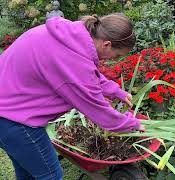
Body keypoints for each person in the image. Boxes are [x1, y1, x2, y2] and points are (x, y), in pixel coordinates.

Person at [0, 13, 144, 179]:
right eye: (117, 55)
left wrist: (115, 90)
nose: (114, 59)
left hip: (6, 110)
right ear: (107, 44)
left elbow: (84, 74)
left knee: (27, 172)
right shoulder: (73, 60)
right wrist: (131, 123)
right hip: (13, 121)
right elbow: (98, 110)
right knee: (51, 175)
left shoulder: (68, 36)